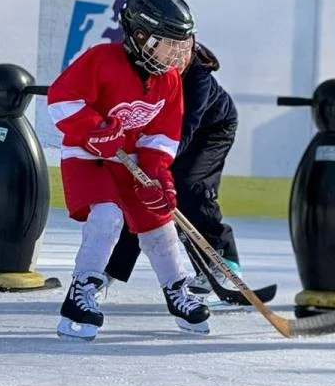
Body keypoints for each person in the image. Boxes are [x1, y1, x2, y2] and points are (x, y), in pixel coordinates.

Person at [47, 0, 210, 340]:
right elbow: (61, 99)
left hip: (131, 160)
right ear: (140, 36)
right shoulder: (100, 60)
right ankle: (81, 293)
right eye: (169, 44)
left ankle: (177, 291)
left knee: (160, 222)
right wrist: (94, 129)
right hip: (87, 157)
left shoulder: (169, 79)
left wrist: (158, 175)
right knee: (107, 217)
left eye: (181, 45)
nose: (177, 54)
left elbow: (162, 135)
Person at [104, 38, 250, 301]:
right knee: (140, 192)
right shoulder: (143, 67)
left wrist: (157, 163)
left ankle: (222, 261)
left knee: (188, 187)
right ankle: (112, 268)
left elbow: (186, 128)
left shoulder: (198, 79)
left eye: (183, 53)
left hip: (209, 132)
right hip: (164, 134)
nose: (177, 59)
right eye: (171, 52)